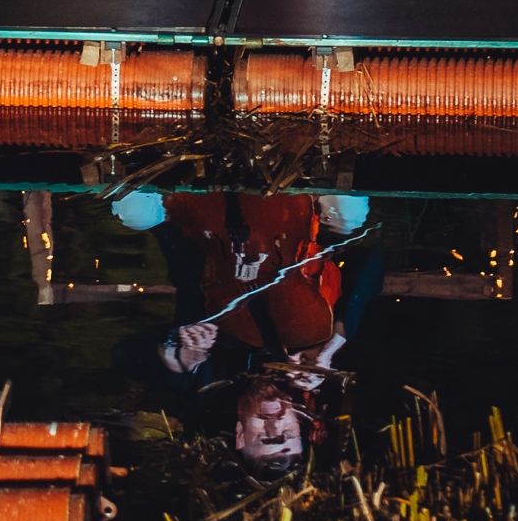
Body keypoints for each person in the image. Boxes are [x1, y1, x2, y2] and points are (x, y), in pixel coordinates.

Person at [113, 188, 380, 477]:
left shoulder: (205, 390)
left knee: (133, 211)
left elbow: (123, 355)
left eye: (265, 438)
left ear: (240, 436)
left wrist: (177, 357)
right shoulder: (317, 372)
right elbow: (372, 262)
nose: (274, 424)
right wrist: (332, 344)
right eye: (288, 433)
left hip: (203, 228)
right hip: (289, 221)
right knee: (350, 213)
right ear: (298, 424)